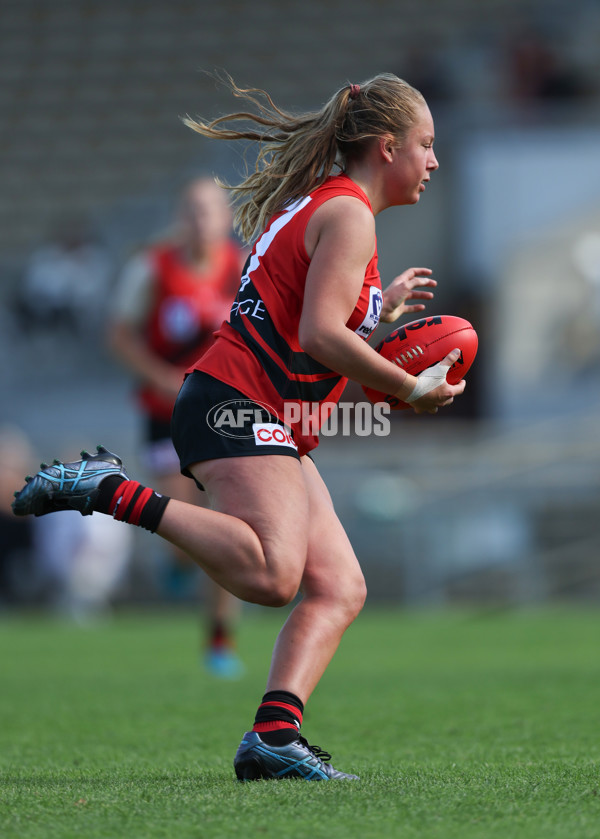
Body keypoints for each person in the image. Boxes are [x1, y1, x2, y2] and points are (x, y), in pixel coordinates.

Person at [13, 73, 466, 781]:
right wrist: (409, 384)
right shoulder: (350, 215)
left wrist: (378, 314)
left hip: (252, 405)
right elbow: (318, 334)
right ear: (386, 147)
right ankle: (110, 490)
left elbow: (308, 319)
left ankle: (274, 738)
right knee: (271, 573)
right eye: (426, 145)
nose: (434, 160)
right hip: (239, 401)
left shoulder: (330, 206)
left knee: (340, 584)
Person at [108, 177, 246, 678]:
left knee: (225, 523)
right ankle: (180, 561)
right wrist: (161, 378)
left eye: (209, 210)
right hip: (164, 412)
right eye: (191, 210)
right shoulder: (153, 268)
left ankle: (219, 639)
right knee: (181, 513)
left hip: (220, 411)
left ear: (226, 217)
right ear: (179, 216)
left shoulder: (243, 267)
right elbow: (119, 336)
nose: (200, 220)